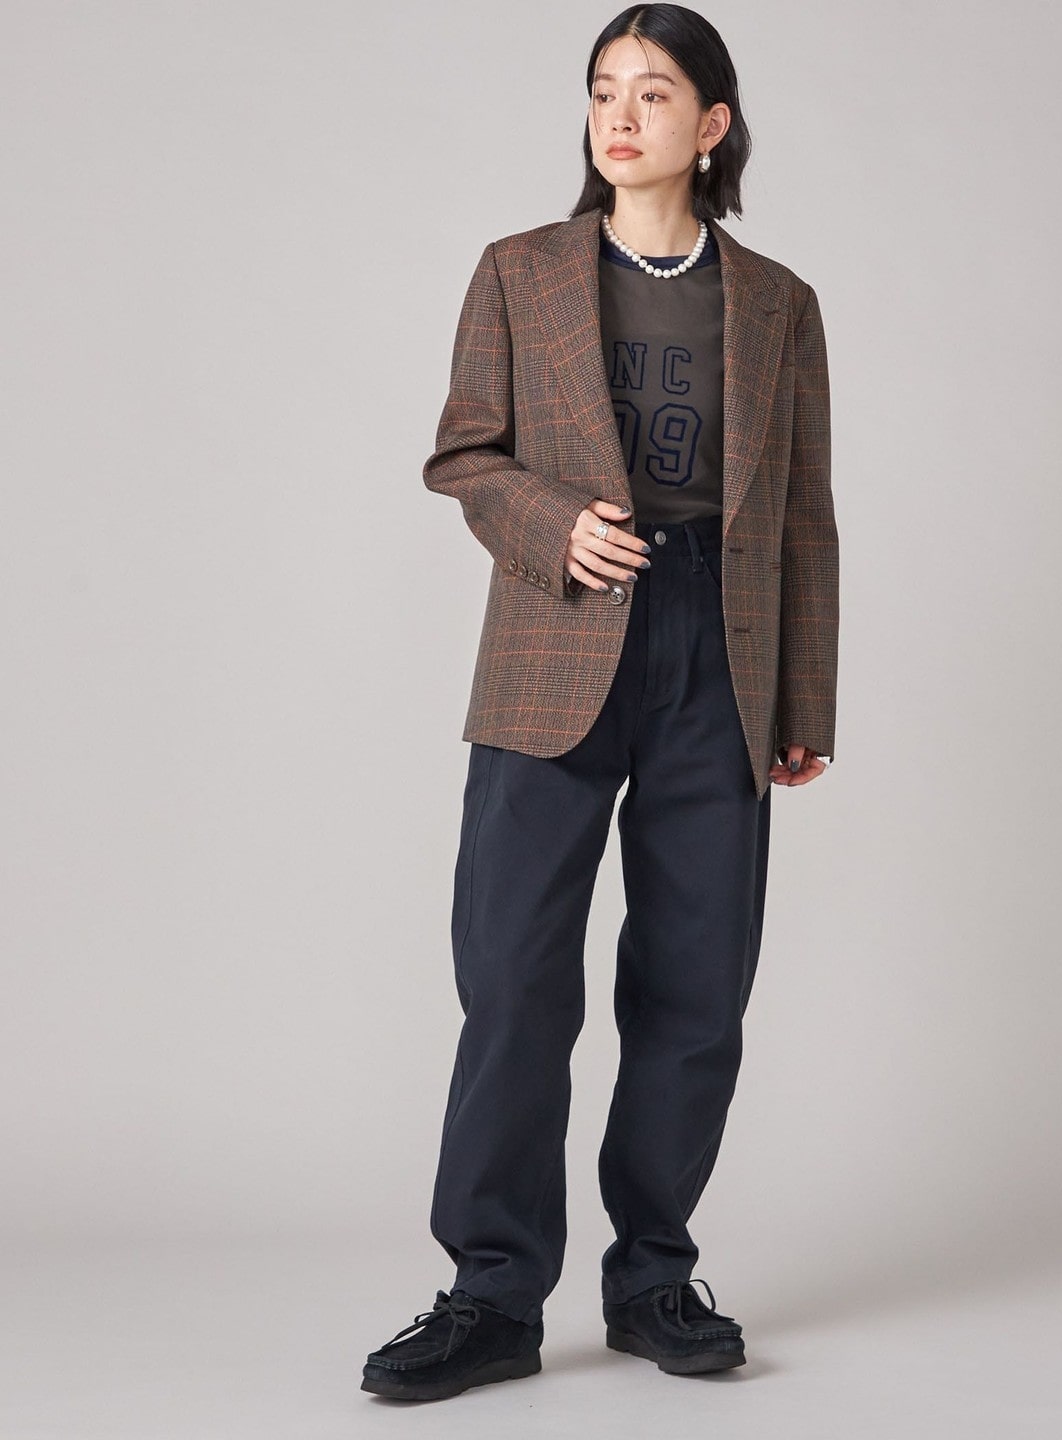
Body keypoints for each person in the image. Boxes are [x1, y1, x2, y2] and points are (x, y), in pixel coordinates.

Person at [361, 2, 838, 1403]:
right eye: (602, 90)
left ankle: (652, 1280)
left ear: (713, 124)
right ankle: (492, 1296)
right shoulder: (520, 273)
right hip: (555, 638)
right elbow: (465, 457)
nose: (620, 115)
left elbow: (803, 513)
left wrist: (802, 697)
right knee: (512, 978)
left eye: (654, 91)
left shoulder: (779, 303)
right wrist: (554, 525)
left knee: (697, 984)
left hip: (719, 651)